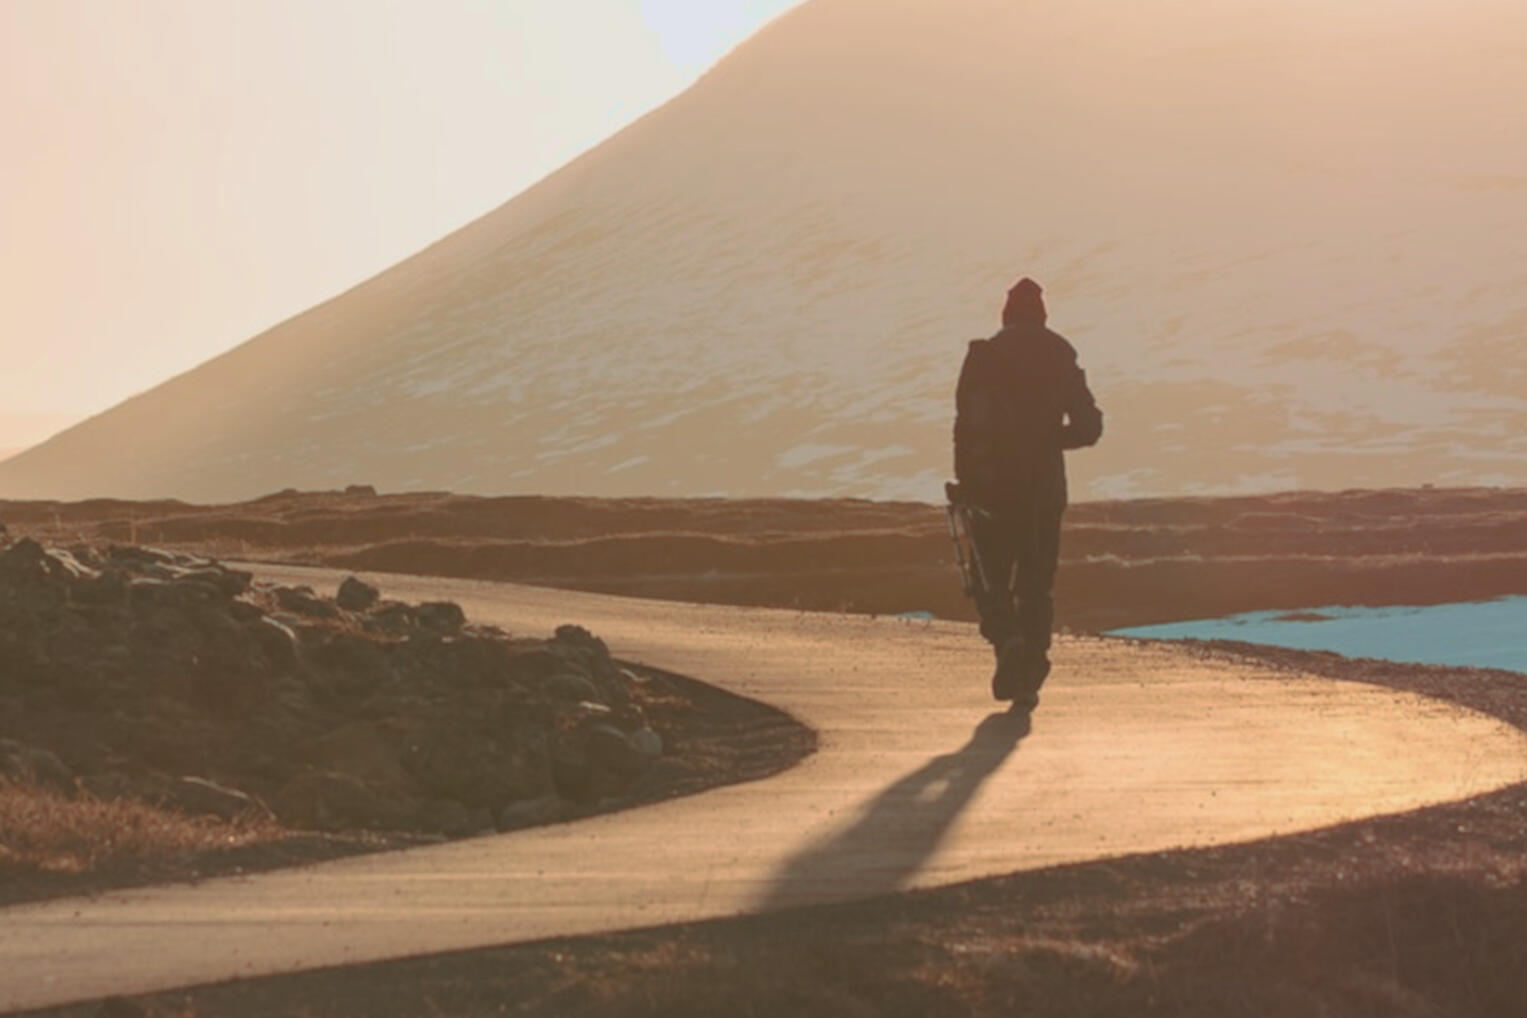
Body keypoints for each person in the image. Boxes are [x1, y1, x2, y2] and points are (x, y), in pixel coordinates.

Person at [951, 278, 1103, 709]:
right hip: (1044, 490)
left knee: (989, 580)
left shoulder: (983, 357)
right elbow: (1090, 427)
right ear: (1042, 315)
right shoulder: (1060, 354)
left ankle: (1007, 639)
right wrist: (1052, 439)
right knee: (1037, 583)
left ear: (1005, 314)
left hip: (991, 488)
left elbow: (964, 427)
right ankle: (1031, 673)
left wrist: (966, 481)